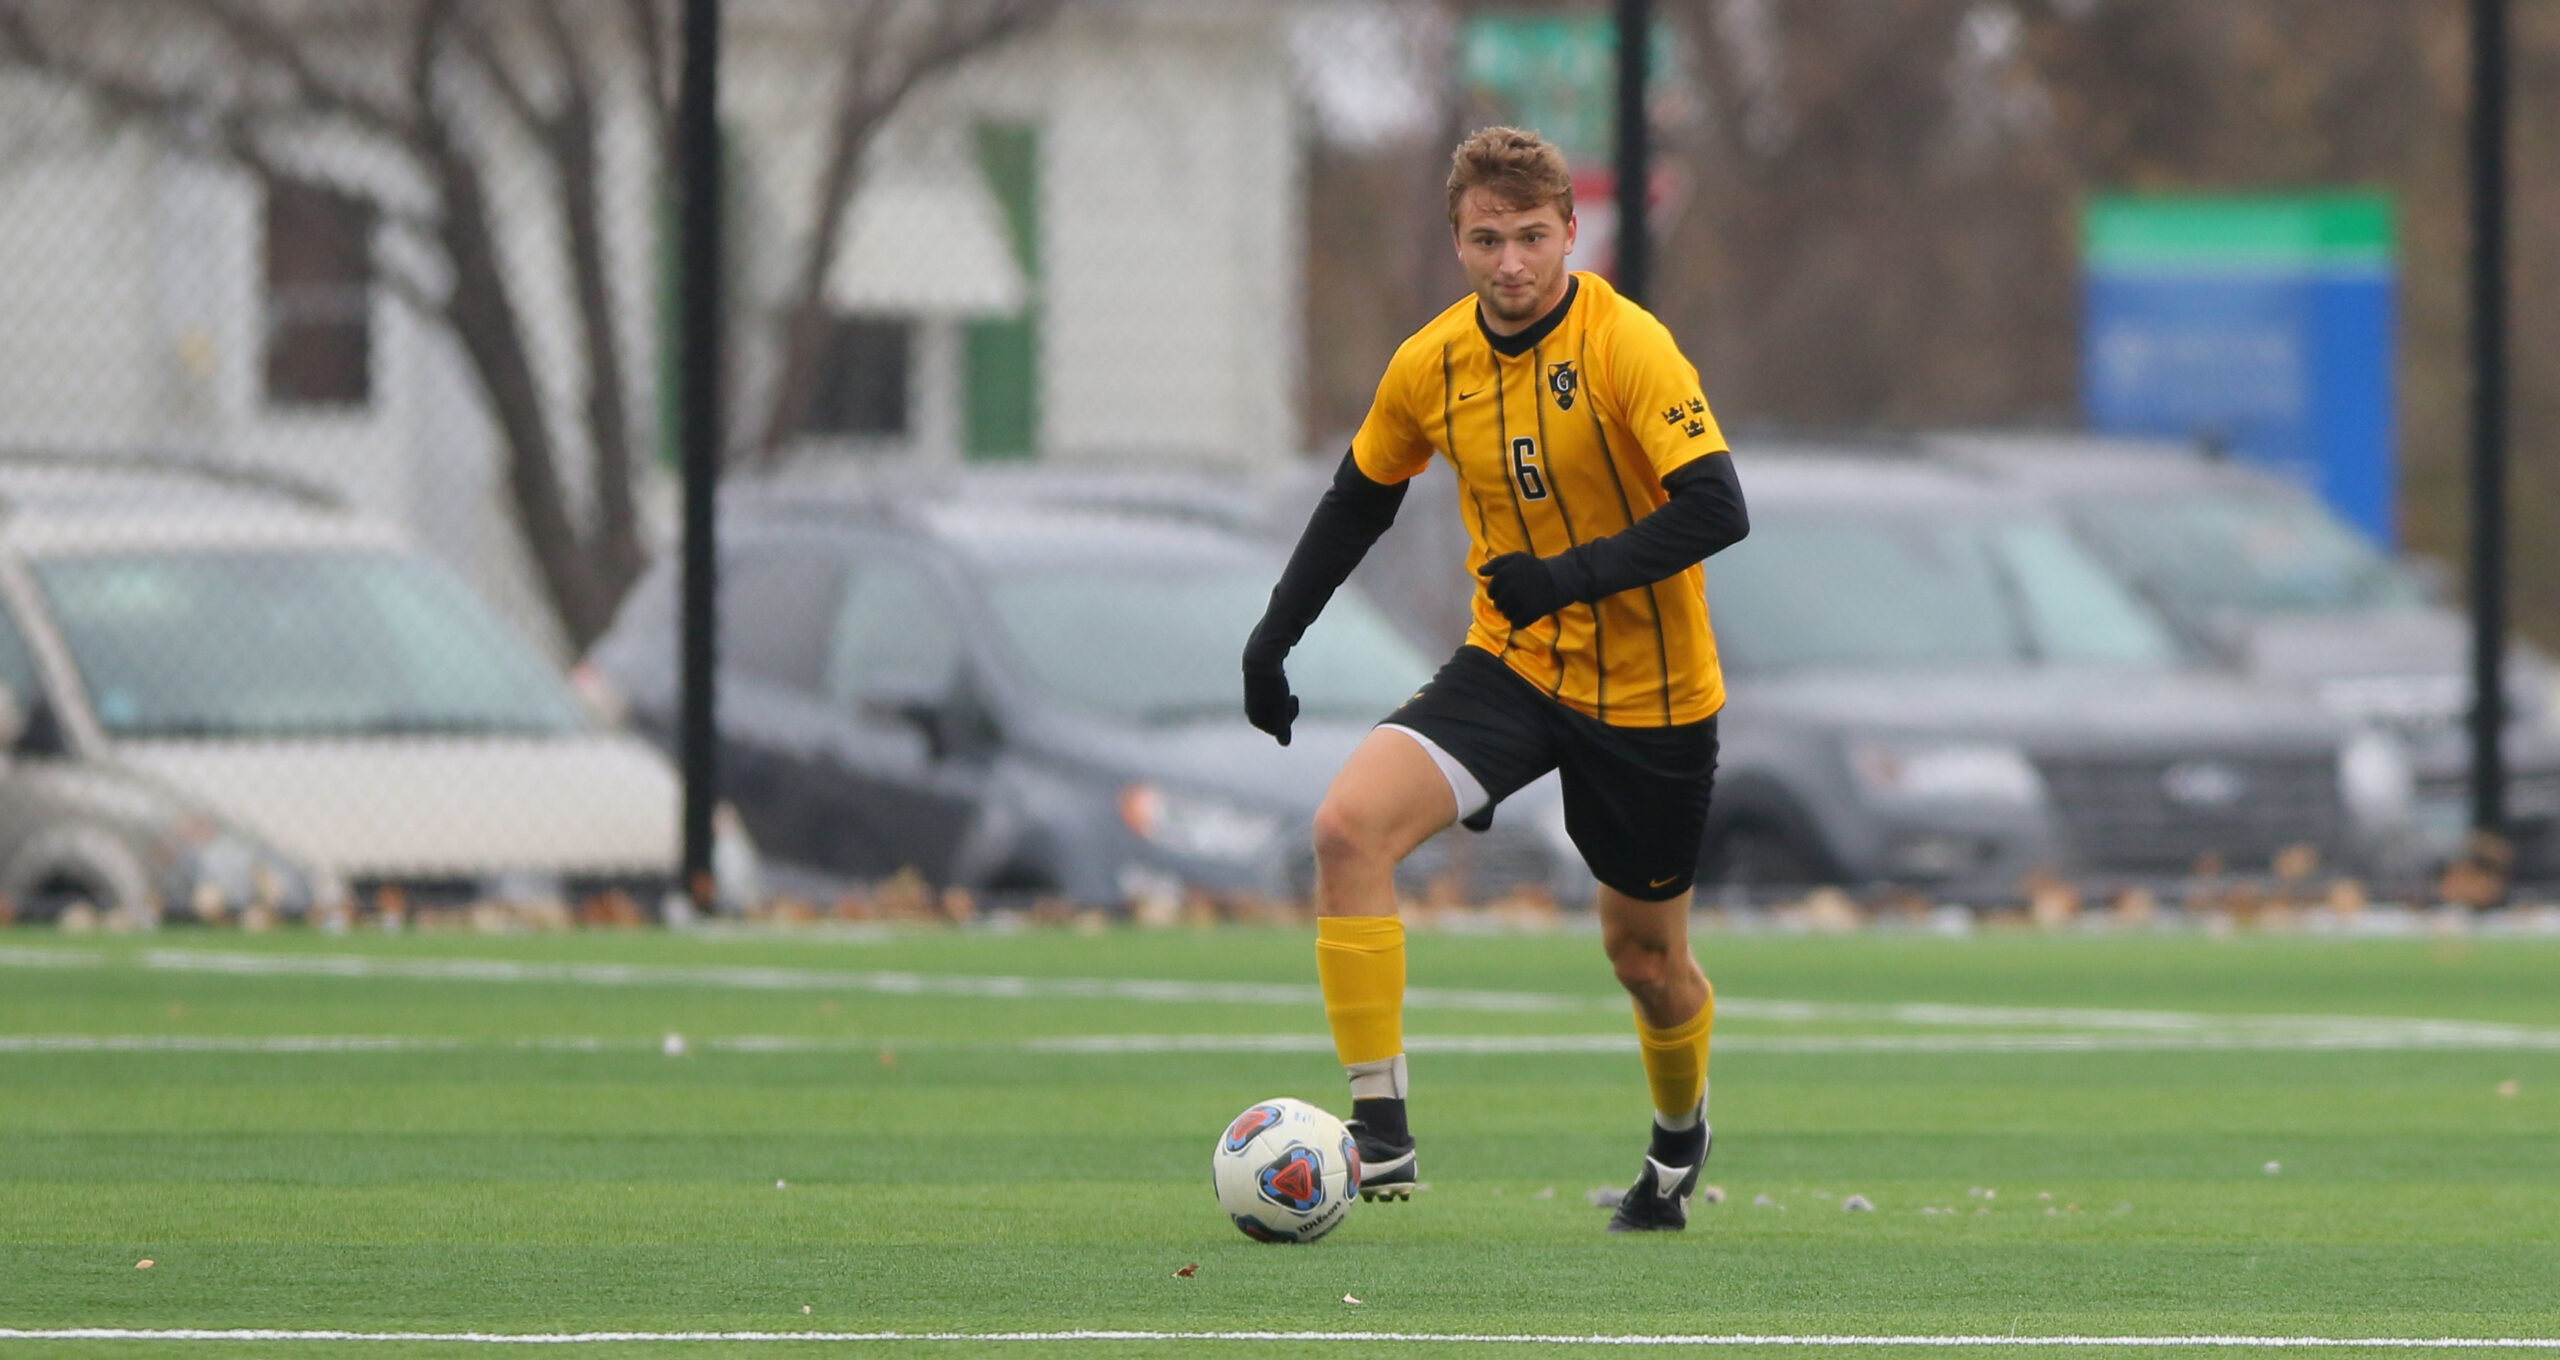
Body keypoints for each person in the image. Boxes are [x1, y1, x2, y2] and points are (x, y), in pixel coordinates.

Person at [1242, 126, 1749, 1233]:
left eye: (1531, 237)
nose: (1511, 262)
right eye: (1486, 240)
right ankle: (1379, 1135)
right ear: (1457, 244)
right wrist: (1271, 637)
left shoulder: (1627, 343)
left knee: (1646, 962)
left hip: (1651, 697)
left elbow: (1718, 506)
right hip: (1511, 669)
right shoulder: (1431, 363)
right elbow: (1356, 500)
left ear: (1571, 234)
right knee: (1346, 829)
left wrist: (1563, 576)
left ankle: (1676, 1140)